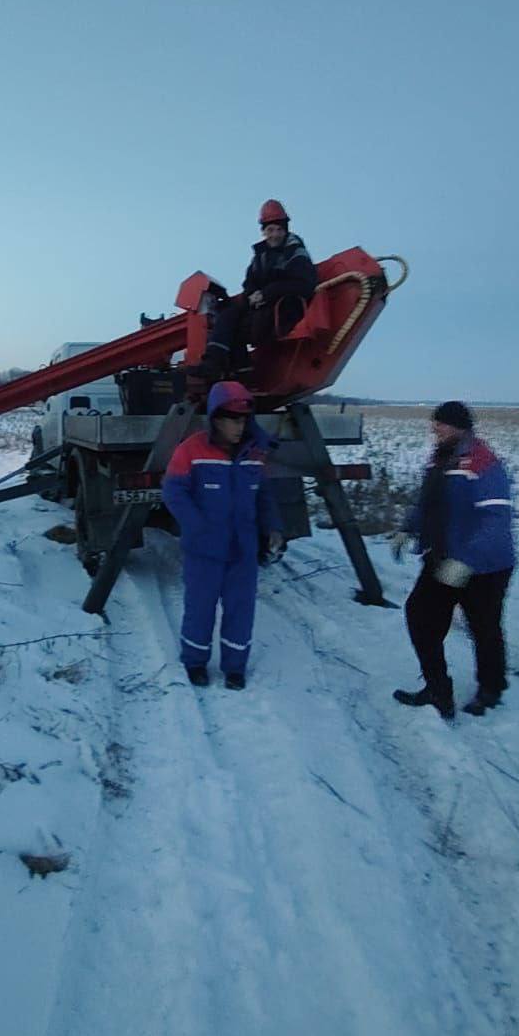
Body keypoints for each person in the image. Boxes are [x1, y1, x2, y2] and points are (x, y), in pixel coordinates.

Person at [392, 401, 515, 720]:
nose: (435, 429)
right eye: (434, 423)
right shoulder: (440, 459)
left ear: (460, 426)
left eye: (441, 424)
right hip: (442, 558)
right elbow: (427, 503)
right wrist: (408, 528)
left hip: (484, 566)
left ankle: (491, 689)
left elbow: (496, 519)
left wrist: (466, 560)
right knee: (420, 616)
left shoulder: (483, 462)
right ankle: (437, 690)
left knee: (483, 627)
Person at [162, 380, 285, 690]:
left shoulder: (255, 454)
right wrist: (197, 527)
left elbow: (265, 496)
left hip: (242, 551)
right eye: (232, 418)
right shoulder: (191, 450)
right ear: (215, 418)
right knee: (200, 609)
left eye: (243, 419)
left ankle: (234, 668)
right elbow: (174, 491)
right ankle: (195, 663)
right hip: (204, 551)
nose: (239, 426)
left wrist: (273, 529)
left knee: (241, 611)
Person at [196, 199, 318, 378]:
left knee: (237, 327)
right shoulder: (260, 257)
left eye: (279, 229)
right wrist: (252, 295)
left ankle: (237, 368)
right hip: (263, 305)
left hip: (285, 310)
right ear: (263, 231)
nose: (274, 234)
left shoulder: (296, 253)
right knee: (228, 314)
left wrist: (266, 294)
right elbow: (249, 282)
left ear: (285, 230)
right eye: (270, 230)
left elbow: (304, 285)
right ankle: (217, 362)